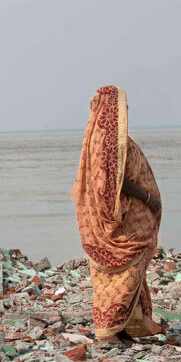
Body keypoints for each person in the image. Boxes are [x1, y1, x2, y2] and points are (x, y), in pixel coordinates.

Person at [72, 85, 163, 343]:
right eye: (123, 106)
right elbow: (115, 182)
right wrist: (148, 199)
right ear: (112, 109)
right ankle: (108, 331)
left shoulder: (99, 138)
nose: (126, 110)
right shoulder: (108, 141)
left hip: (112, 223)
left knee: (118, 275)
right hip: (120, 225)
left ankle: (122, 326)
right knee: (126, 271)